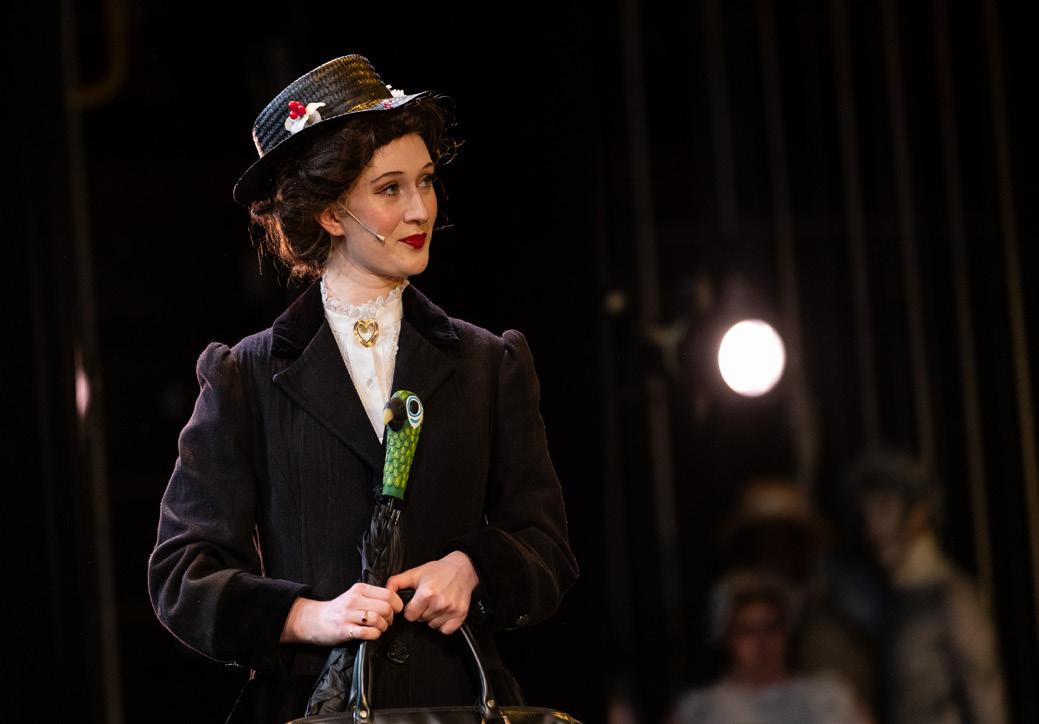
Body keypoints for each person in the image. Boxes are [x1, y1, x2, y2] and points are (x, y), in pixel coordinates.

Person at [147, 54, 579, 723]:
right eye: (389, 189)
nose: (420, 208)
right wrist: (306, 616)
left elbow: (546, 547)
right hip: (312, 705)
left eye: (425, 181)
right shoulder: (246, 377)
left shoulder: (486, 363)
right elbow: (182, 575)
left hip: (454, 703)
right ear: (329, 213)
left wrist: (473, 567)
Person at [846, 450, 1007, 724]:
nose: (872, 528)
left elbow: (986, 699)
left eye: (884, 510)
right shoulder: (893, 599)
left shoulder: (951, 596)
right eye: (866, 515)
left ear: (918, 512)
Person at [670, 570, 870, 724]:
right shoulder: (700, 710)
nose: (761, 642)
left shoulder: (829, 699)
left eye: (771, 628)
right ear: (726, 637)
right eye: (746, 631)